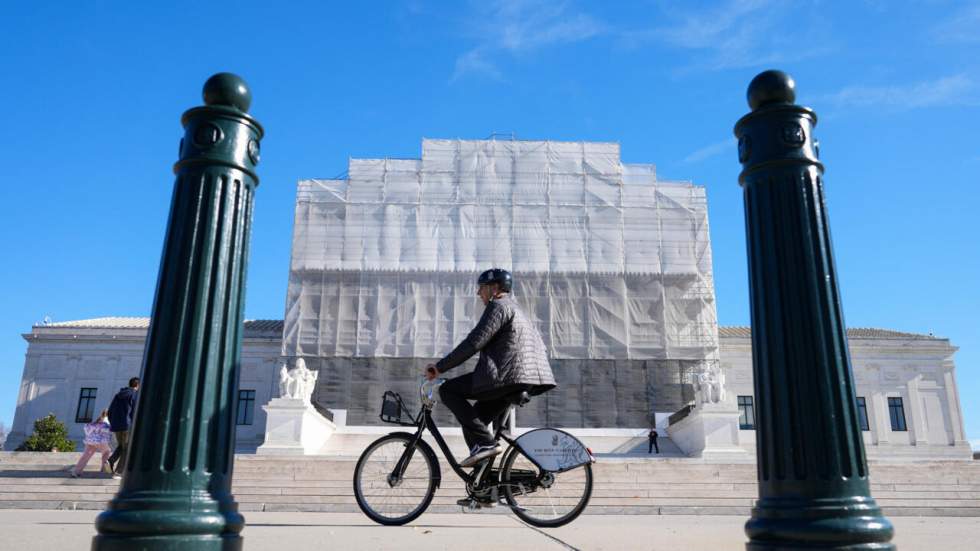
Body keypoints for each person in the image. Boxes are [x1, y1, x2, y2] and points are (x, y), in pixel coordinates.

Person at [425, 268, 556, 470]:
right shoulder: (516, 308)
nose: (479, 293)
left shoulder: (498, 306)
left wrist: (440, 367)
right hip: (521, 378)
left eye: (482, 288)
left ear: (494, 288)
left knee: (448, 390)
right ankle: (484, 486)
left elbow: (474, 342)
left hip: (508, 377)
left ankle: (486, 444)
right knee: (475, 420)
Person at [107, 377, 140, 479]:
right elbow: (135, 411)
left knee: (122, 446)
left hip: (117, 426)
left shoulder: (118, 395)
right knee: (128, 448)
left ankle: (110, 460)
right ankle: (119, 472)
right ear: (137, 385)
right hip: (128, 426)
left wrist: (113, 423)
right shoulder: (134, 395)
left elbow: (110, 411)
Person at [69, 409, 112, 478]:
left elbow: (88, 429)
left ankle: (76, 472)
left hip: (90, 441)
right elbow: (107, 430)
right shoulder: (107, 420)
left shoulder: (98, 420)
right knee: (106, 452)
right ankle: (103, 471)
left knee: (85, 456)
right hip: (101, 441)